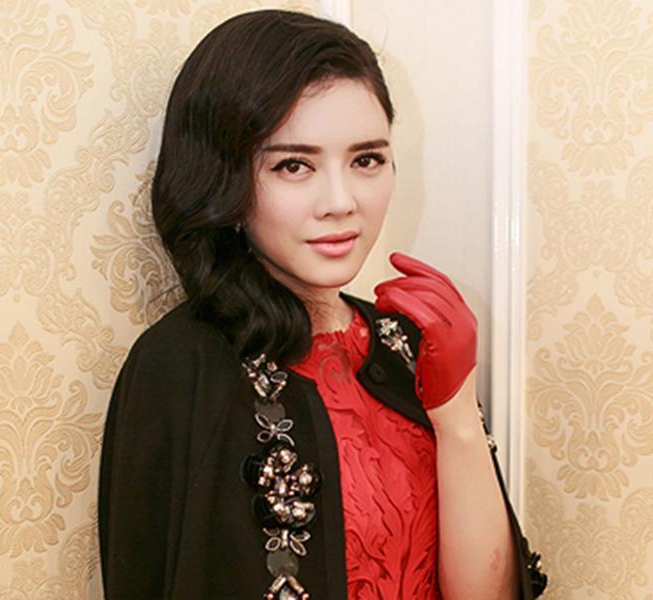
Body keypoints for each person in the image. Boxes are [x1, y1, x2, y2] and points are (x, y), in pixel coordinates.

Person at [98, 9, 547, 600]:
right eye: (294, 165)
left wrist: (457, 411)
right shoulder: (180, 366)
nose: (341, 201)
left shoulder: (403, 345)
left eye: (366, 160)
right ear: (223, 178)